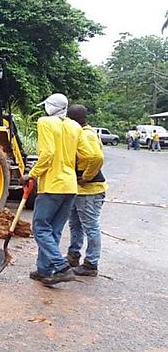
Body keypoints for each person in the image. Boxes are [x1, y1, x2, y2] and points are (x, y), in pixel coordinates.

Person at [22, 93, 97, 286]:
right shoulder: (74, 126)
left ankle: (61, 267)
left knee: (40, 228)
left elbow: (47, 154)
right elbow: (90, 154)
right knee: (53, 230)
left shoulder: (45, 122)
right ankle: (44, 270)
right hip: (70, 186)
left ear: (51, 107)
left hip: (52, 186)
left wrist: (32, 174)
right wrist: (85, 175)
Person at [66, 105, 106, 277]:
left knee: (90, 227)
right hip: (79, 189)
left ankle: (91, 264)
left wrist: (87, 176)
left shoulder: (86, 134)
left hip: (90, 190)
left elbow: (96, 157)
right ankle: (73, 255)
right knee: (75, 225)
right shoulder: (80, 132)